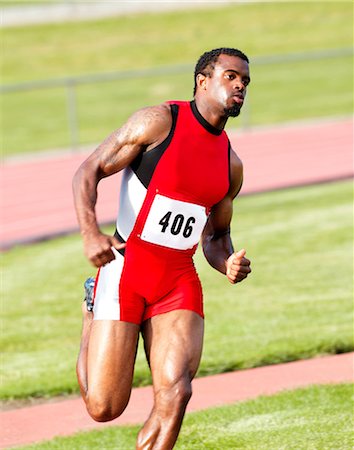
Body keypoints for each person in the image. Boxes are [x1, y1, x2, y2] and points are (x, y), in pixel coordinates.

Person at [73, 47, 252, 449]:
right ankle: (91, 307)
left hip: (178, 281)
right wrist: (90, 234)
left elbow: (215, 237)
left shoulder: (230, 165)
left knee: (177, 393)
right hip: (125, 269)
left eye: (245, 80)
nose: (240, 85)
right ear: (202, 81)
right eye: (231, 76)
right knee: (104, 407)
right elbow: (88, 172)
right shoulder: (158, 123)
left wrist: (227, 263)